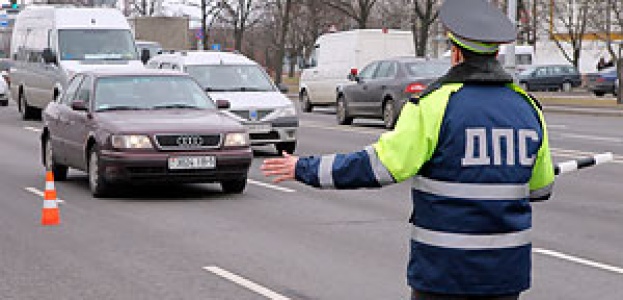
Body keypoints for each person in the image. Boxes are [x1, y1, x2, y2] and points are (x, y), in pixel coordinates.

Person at [261, 0, 555, 299]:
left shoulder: (435, 105)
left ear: (455, 52)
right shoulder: (527, 108)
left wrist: (304, 168)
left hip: (444, 273)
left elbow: (378, 166)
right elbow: (540, 188)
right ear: (495, 52)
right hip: (506, 276)